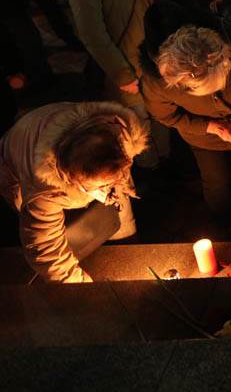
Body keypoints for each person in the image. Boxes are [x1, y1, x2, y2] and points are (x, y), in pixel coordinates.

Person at [139, 2, 231, 224]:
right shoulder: (155, 82)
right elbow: (166, 116)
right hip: (202, 136)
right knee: (217, 180)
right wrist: (211, 127)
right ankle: (225, 227)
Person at [57, 0, 167, 168]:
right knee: (138, 123)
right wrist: (121, 73)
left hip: (151, 53)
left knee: (162, 111)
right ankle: (151, 170)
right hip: (125, 61)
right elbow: (92, 32)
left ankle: (168, 160)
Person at [0, 101, 146, 283]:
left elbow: (113, 177)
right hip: (13, 161)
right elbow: (47, 251)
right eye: (95, 187)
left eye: (109, 182)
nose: (105, 190)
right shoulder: (42, 190)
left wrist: (130, 251)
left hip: (47, 123)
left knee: (117, 199)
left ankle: (123, 248)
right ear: (69, 176)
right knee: (48, 225)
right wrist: (81, 288)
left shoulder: (118, 133)